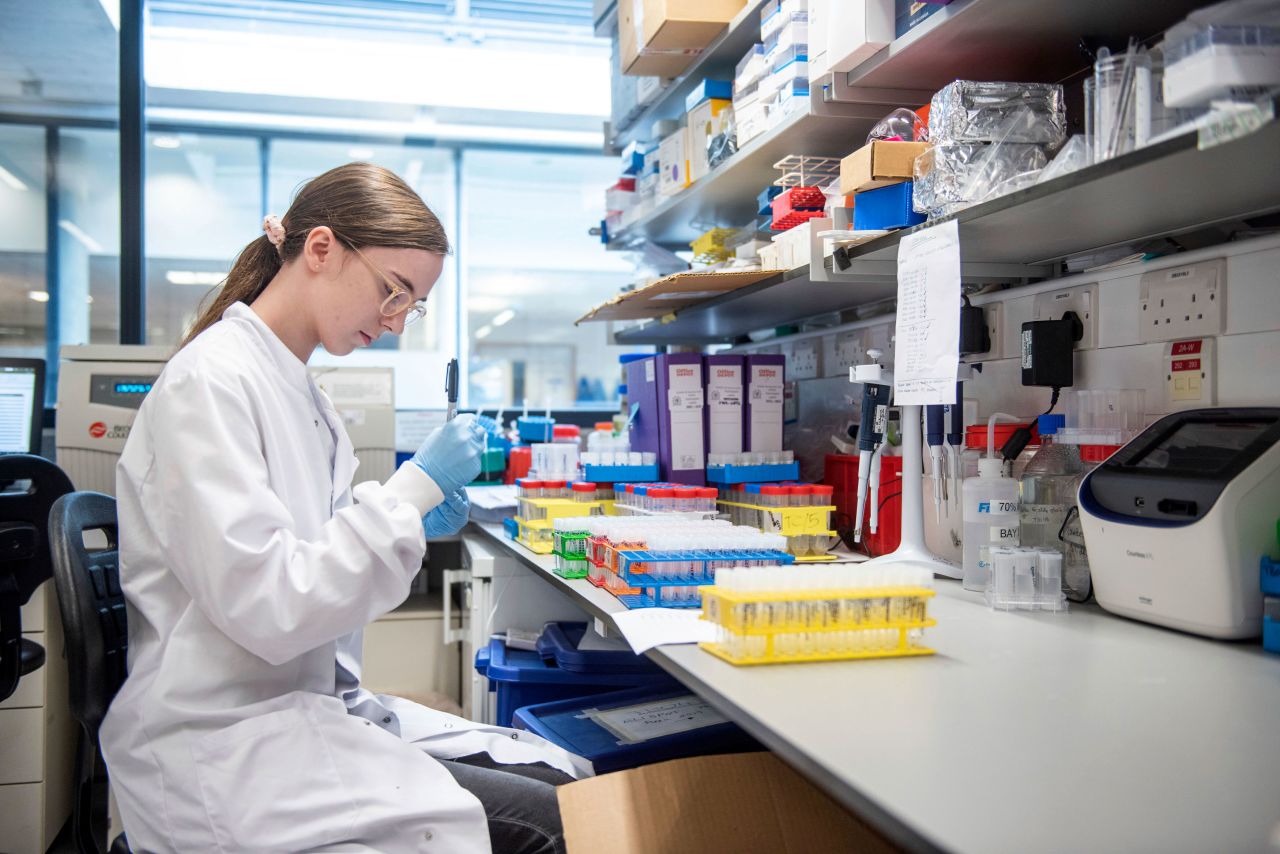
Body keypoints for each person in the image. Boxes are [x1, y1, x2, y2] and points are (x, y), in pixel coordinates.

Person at [100, 162, 589, 853]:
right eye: (393, 292)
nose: (394, 322)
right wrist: (412, 489)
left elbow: (308, 555)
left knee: (560, 774)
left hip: (296, 713)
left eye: (410, 306)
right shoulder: (210, 383)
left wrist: (409, 515)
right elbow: (272, 604)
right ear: (321, 250)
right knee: (554, 825)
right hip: (222, 747)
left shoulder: (302, 394)